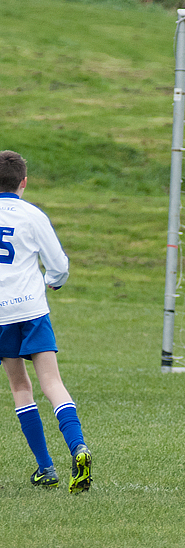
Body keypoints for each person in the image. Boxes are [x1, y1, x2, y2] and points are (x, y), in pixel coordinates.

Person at [0, 150, 92, 493]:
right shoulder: (32, 215)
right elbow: (59, 265)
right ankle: (78, 446)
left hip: (1, 316)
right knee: (52, 382)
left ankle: (45, 467)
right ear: (24, 182)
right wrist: (54, 280)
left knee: (20, 387)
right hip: (32, 309)